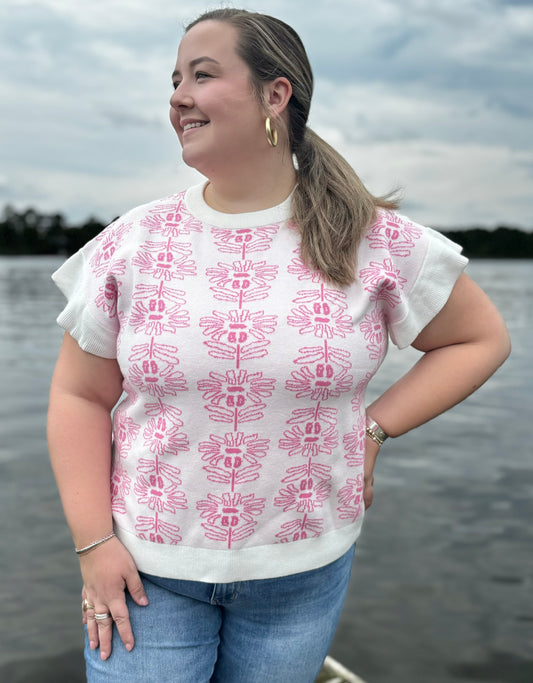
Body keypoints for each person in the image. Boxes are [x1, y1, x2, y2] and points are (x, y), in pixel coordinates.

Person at [47, 8, 511, 683]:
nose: (177, 96)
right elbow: (78, 394)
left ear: (275, 94)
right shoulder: (134, 242)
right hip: (147, 570)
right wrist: (92, 543)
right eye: (174, 79)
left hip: (301, 571)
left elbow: (479, 338)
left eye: (202, 75)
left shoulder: (370, 236)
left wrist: (374, 431)